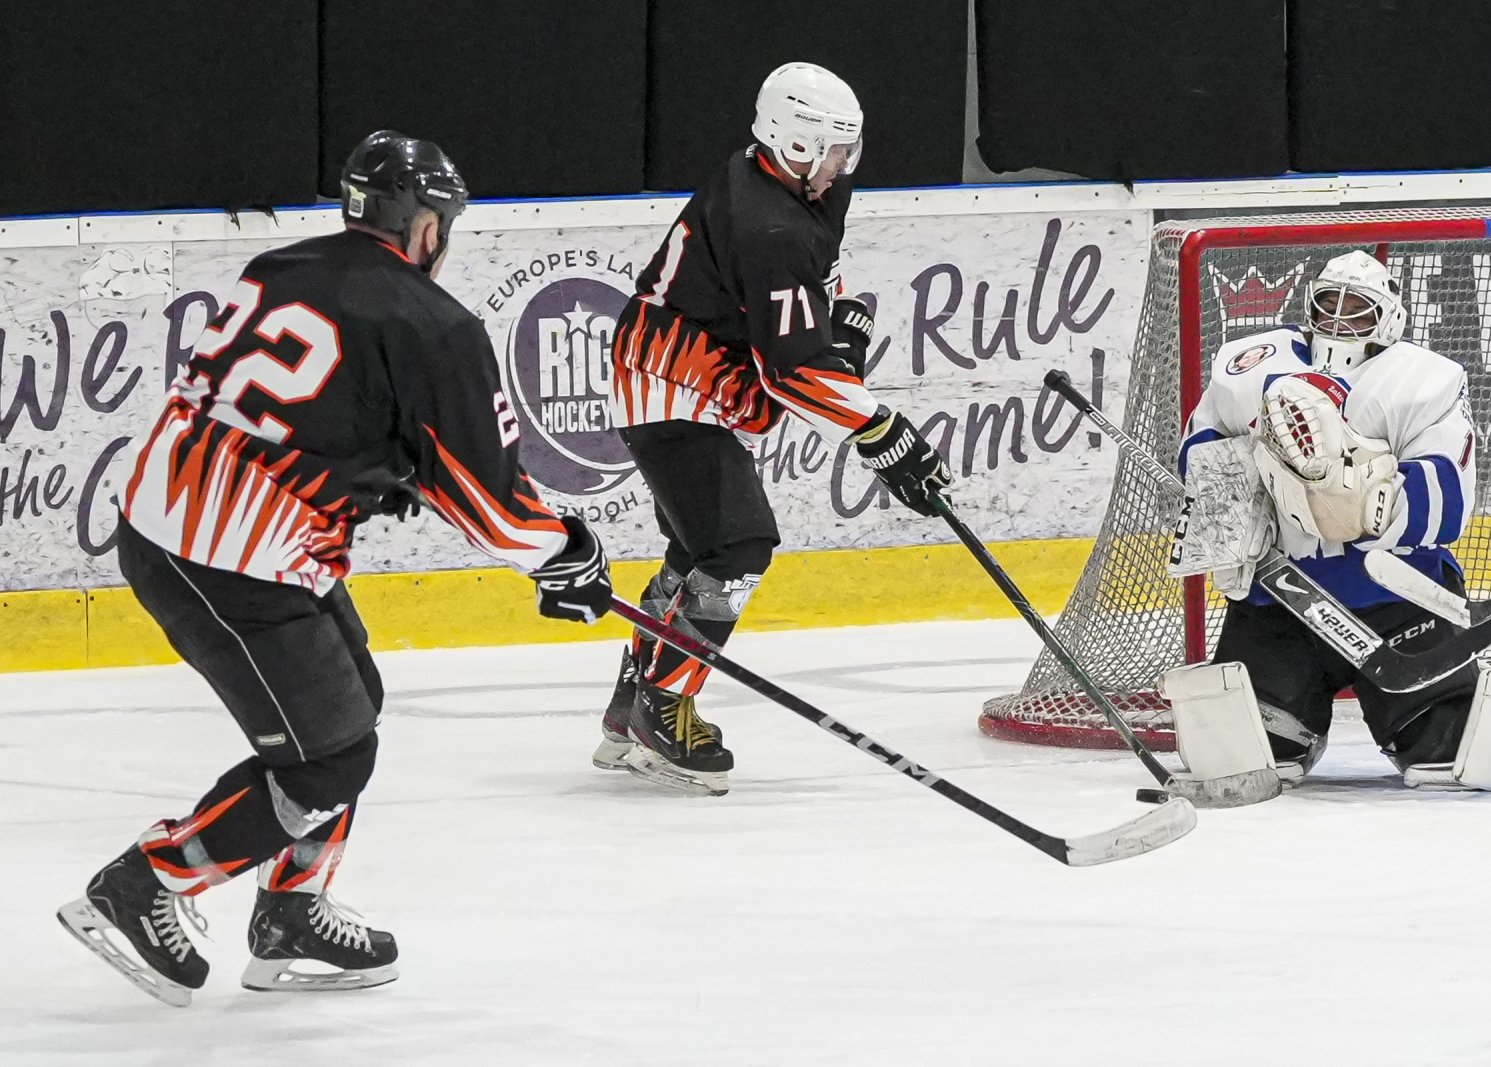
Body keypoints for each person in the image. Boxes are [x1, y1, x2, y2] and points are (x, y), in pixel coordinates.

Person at [56, 131, 613, 1008]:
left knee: (354, 706)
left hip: (195, 527)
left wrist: (384, 465)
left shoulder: (282, 266)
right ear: (426, 226)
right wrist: (568, 555)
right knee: (330, 760)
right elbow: (497, 511)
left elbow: (306, 408)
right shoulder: (435, 324)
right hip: (233, 557)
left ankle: (290, 913)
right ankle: (145, 882)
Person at [592, 62, 952, 797]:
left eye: (846, 150)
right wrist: (879, 429)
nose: (843, 165)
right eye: (832, 150)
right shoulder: (767, 221)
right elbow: (789, 372)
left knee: (698, 546)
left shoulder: (799, 189)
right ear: (793, 144)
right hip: (668, 381)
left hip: (687, 373)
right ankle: (662, 707)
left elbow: (815, 280)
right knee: (737, 545)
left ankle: (634, 704)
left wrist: (836, 329)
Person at [1161, 250, 1491, 792]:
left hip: (1395, 603)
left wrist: (1365, 504)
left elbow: (1448, 498)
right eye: (1329, 303)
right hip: (1279, 602)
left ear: (1389, 317)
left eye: (1357, 308)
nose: (1340, 318)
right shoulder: (1248, 367)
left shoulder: (1426, 380)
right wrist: (1231, 506)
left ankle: (1468, 712)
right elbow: (1201, 449)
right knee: (1249, 756)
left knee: (1450, 753)